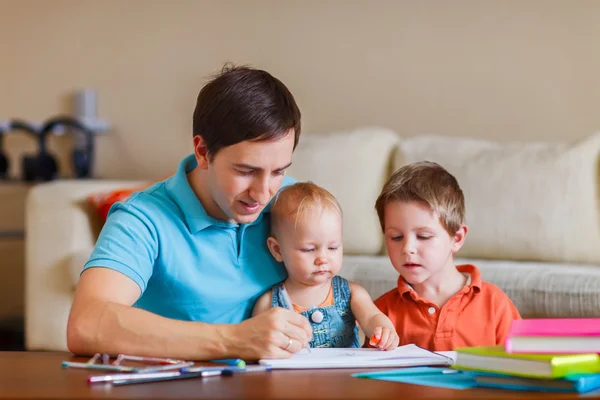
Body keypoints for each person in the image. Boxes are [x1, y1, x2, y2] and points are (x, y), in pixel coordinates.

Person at [66, 65, 313, 361]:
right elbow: (86, 324)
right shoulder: (143, 218)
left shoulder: (291, 202)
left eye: (278, 171)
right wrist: (233, 339)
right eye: (246, 171)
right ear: (202, 151)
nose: (263, 193)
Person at [373, 161, 521, 351]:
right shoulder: (380, 313)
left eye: (423, 236)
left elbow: (522, 366)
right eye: (396, 237)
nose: (407, 248)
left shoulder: (495, 304)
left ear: (457, 238)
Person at [252, 182, 399, 350]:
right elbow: (257, 345)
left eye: (332, 248)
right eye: (309, 249)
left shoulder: (352, 293)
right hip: (292, 376)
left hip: (344, 374)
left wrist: (383, 330)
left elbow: (371, 317)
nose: (323, 258)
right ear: (277, 250)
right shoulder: (268, 303)